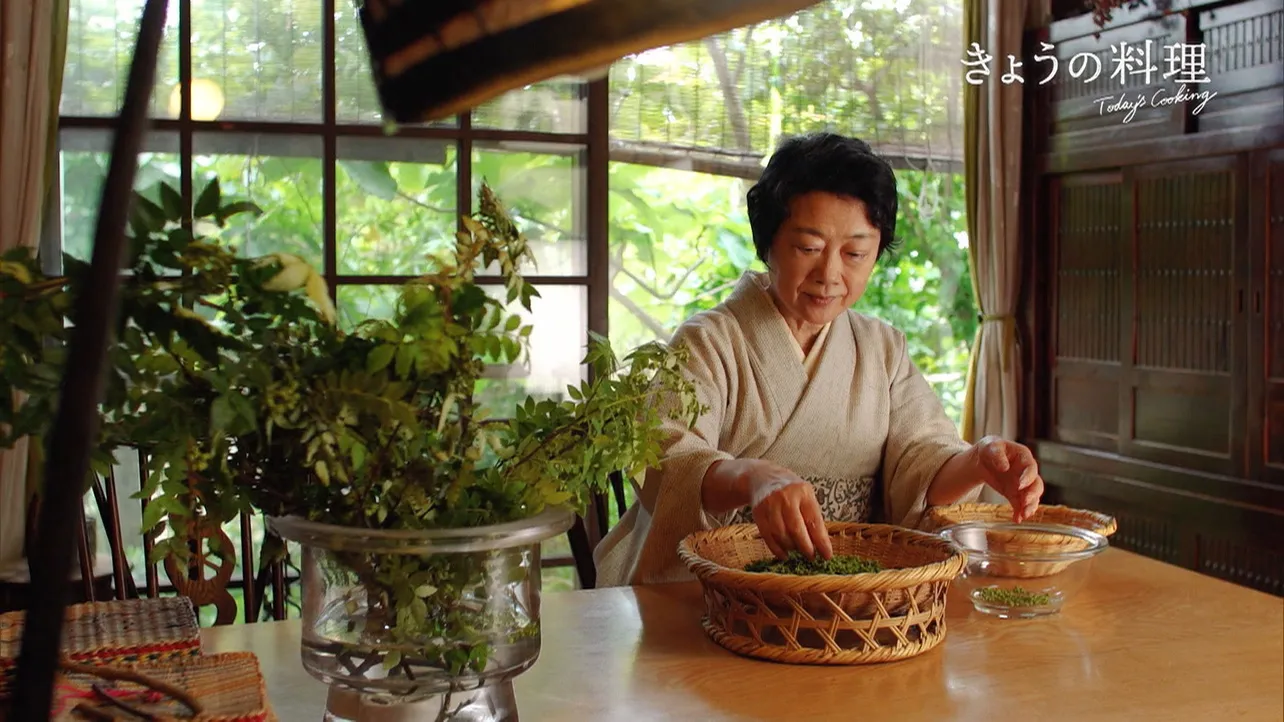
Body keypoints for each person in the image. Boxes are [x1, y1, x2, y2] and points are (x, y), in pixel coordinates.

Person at [592, 132, 1043, 587]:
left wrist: (980, 462)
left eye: (855, 253)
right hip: (714, 597)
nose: (829, 275)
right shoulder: (710, 342)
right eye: (808, 248)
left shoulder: (882, 350)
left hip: (844, 604)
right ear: (768, 240)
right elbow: (665, 456)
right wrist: (752, 478)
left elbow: (922, 464)